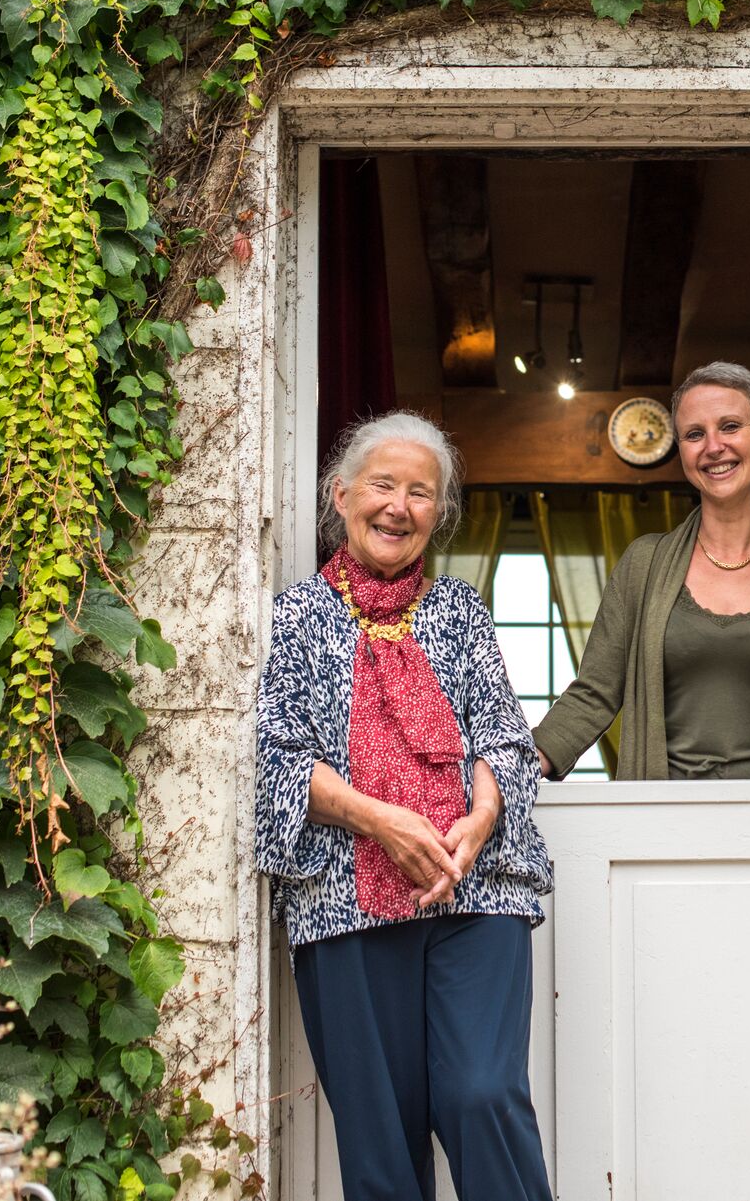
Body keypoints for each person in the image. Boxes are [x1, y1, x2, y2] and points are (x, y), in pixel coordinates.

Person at [254, 411, 554, 1201]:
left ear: (438, 513)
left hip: (475, 889)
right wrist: (380, 819)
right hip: (346, 901)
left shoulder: (462, 612)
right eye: (384, 483)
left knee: (481, 1093)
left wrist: (480, 819)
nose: (399, 504)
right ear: (341, 493)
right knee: (380, 1138)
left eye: (421, 492)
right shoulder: (292, 619)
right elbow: (278, 760)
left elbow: (504, 739)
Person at [533, 361, 750, 781]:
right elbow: (594, 694)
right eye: (695, 434)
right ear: (681, 450)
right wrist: (511, 768)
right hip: (659, 822)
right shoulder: (643, 564)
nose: (713, 446)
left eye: (731, 426)